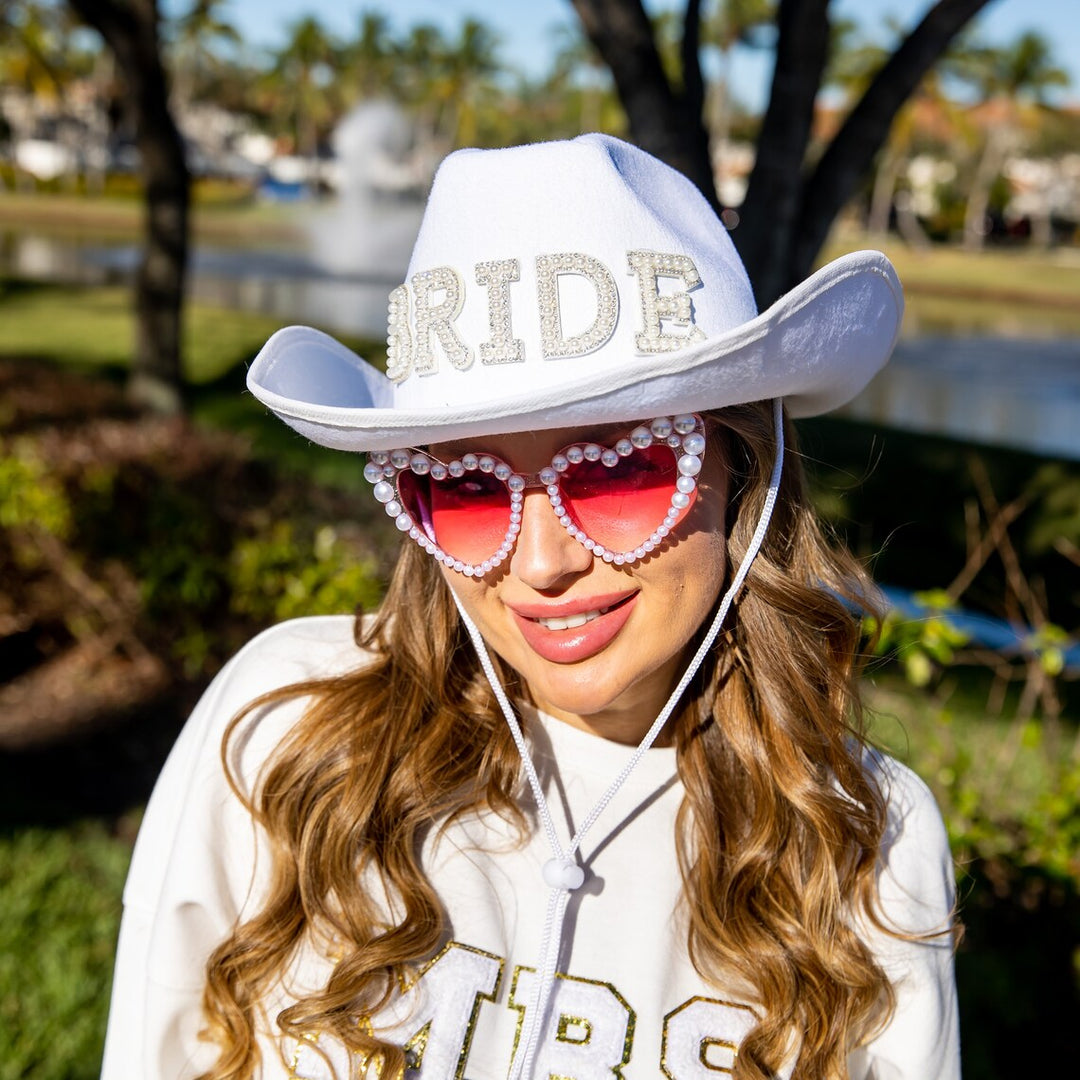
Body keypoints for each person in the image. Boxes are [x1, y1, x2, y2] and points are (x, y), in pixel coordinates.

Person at [101, 134, 959, 1080]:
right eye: (465, 488)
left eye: (621, 471)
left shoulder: (868, 834)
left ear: (743, 471)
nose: (542, 564)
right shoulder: (286, 724)